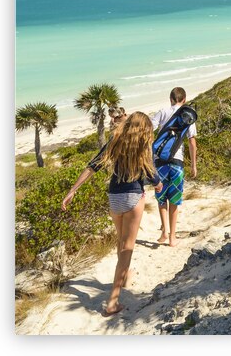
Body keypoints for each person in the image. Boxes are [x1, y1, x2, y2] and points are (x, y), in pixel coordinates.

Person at [62, 111, 163, 317]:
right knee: (127, 247)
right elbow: (150, 171)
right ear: (145, 129)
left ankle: (124, 278)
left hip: (114, 198)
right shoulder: (143, 145)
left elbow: (93, 166)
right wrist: (159, 184)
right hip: (134, 197)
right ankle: (113, 301)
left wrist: (72, 190)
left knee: (121, 241)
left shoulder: (115, 141)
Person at [150, 86, 197, 247]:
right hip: (177, 163)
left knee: (161, 197)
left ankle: (163, 231)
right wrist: (193, 166)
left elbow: (149, 129)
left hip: (160, 162)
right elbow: (192, 143)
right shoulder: (188, 117)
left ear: (170, 99)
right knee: (174, 200)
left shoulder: (162, 111)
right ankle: (172, 237)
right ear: (184, 100)